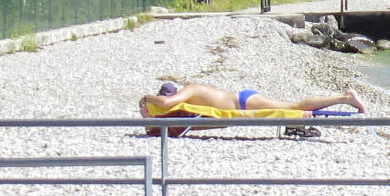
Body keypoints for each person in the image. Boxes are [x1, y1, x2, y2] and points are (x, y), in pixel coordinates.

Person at [140, 80, 365, 118]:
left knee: (295, 106)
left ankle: (345, 98)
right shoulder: (187, 99)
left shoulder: (189, 89)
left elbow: (167, 104)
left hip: (244, 102)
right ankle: (344, 98)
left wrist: (146, 98)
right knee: (294, 105)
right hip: (243, 101)